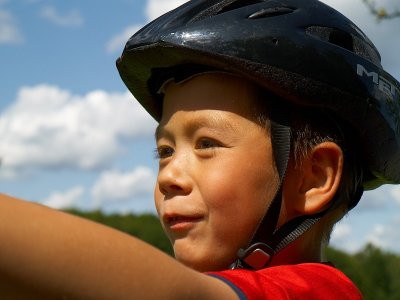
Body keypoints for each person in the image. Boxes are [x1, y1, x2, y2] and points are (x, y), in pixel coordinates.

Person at [0, 0, 399, 298]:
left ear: (314, 178)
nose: (169, 177)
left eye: (207, 144)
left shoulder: (315, 290)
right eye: (165, 151)